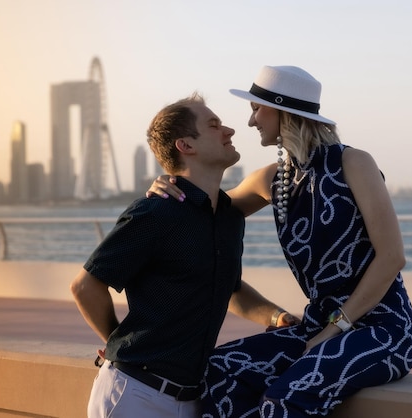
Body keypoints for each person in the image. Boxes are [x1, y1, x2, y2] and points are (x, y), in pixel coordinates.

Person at [147, 66, 412, 417]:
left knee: (288, 396)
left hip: (383, 330)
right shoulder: (272, 179)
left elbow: (392, 257)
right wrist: (166, 189)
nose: (251, 121)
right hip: (317, 327)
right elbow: (202, 212)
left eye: (257, 109)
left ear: (282, 109)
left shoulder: (354, 162)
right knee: (220, 370)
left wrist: (338, 326)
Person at [70, 92, 298, 418]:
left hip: (194, 399)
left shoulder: (229, 218)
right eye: (214, 125)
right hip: (134, 395)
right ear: (185, 146)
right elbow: (84, 287)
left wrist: (277, 318)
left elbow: (230, 289)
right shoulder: (155, 212)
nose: (230, 131)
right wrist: (119, 347)